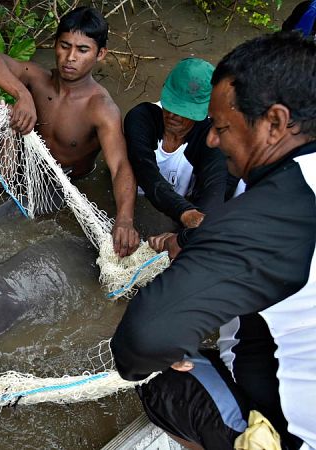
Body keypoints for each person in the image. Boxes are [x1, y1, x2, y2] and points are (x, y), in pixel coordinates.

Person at [111, 32, 316, 449]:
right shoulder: (142, 121)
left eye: (222, 126)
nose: (211, 139)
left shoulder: (263, 216)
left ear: (275, 123)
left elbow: (142, 340)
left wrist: (170, 350)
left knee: (159, 380)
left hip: (293, 433)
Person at [0, 6, 139, 257]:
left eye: (82, 50)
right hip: (21, 169)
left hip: (65, 185)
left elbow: (120, 167)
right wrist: (22, 94)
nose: (70, 57)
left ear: (100, 54)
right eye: (64, 46)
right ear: (54, 45)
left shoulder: (100, 108)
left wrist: (125, 220)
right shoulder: (36, 79)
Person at [125, 57, 234, 229]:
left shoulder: (211, 139)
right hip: (140, 201)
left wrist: (182, 238)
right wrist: (185, 212)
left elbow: (212, 196)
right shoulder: (142, 118)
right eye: (172, 105)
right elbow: (146, 172)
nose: (174, 115)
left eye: (184, 110)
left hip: (181, 210)